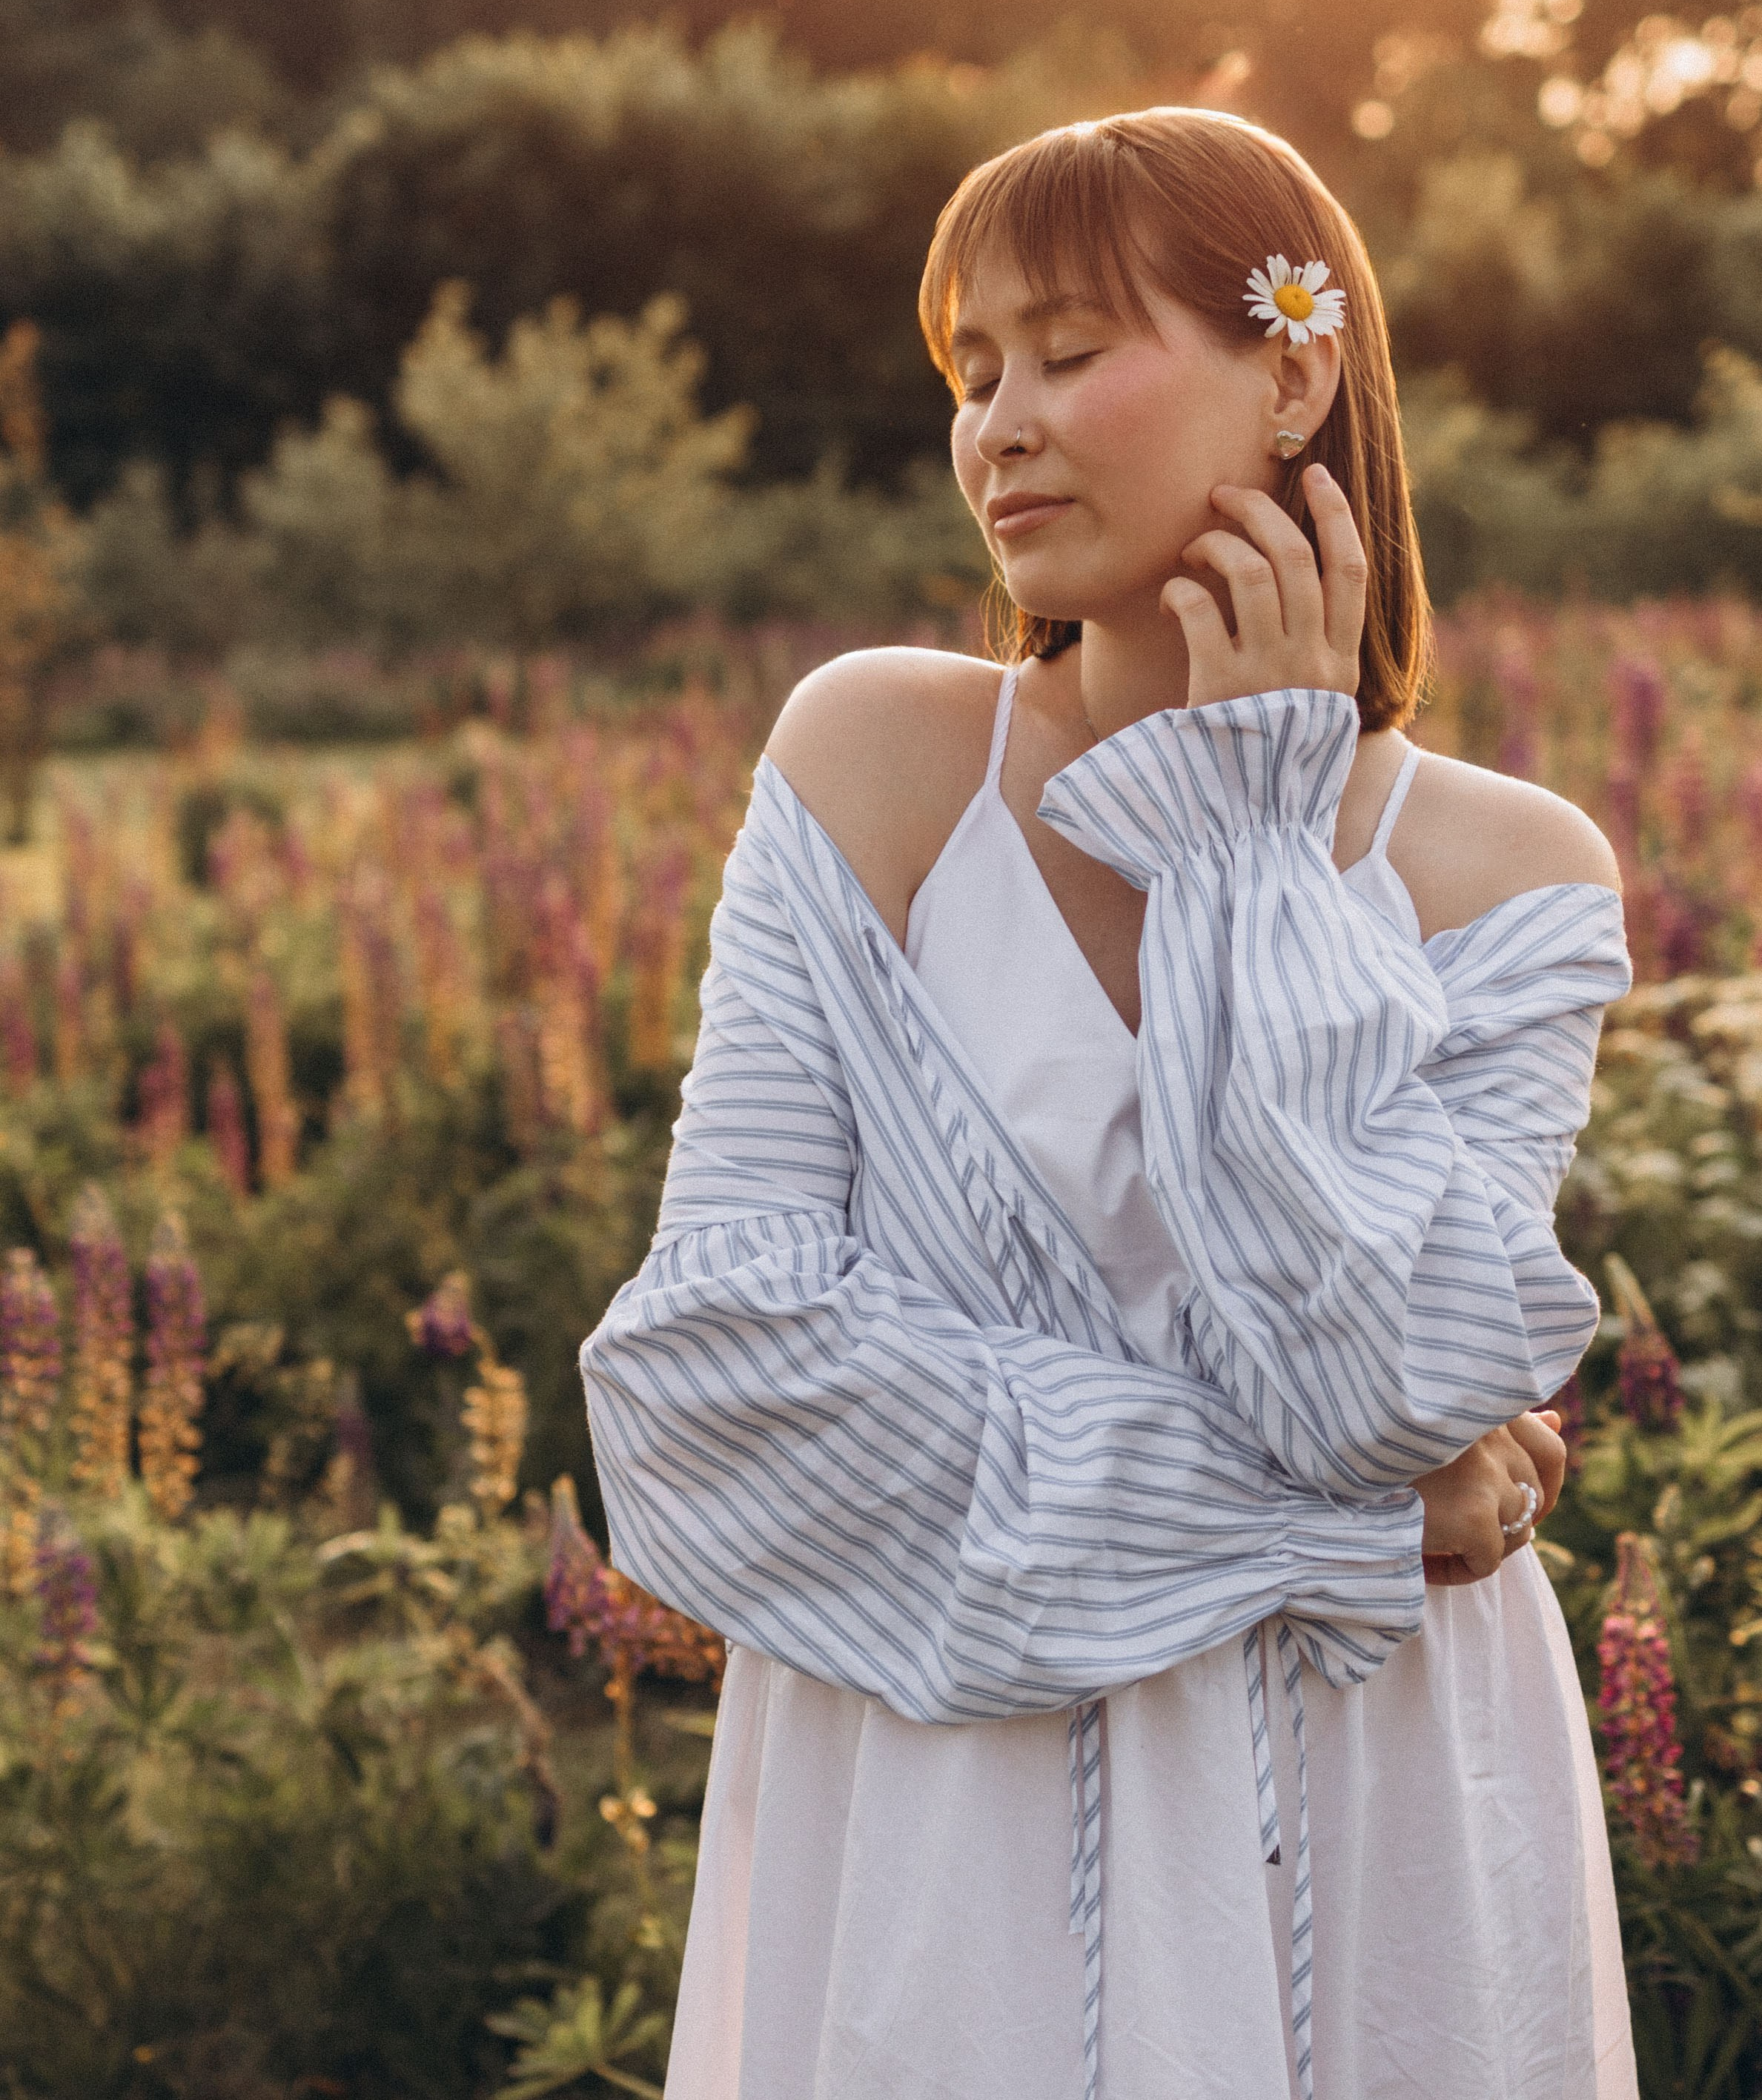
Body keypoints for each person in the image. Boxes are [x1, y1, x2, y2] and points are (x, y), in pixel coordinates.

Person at [581, 107, 1637, 2100]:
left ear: (1294, 368)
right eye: (973, 372)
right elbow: (706, 1388)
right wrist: (1336, 1531)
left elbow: (1383, 1380)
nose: (998, 424)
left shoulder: (1515, 875)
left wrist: (1245, 846)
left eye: (1069, 350)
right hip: (937, 1791)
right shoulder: (876, 761)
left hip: (1365, 1798)